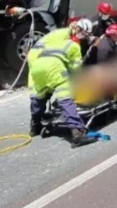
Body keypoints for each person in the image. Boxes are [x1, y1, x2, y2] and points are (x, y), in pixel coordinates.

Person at [28, 19, 98, 147]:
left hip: (37, 65)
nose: (84, 36)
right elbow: (76, 70)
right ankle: (77, 135)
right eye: (84, 33)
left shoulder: (58, 40)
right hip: (54, 66)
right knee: (65, 97)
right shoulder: (74, 46)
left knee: (40, 96)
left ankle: (35, 126)